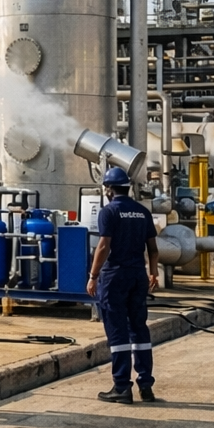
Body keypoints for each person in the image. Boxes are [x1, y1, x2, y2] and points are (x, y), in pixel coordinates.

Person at [85, 167, 160, 403]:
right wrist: (154, 272)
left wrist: (93, 275)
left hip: (115, 276)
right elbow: (153, 248)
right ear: (127, 187)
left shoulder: (109, 212)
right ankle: (145, 385)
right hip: (138, 275)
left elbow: (104, 246)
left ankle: (121, 387)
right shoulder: (142, 211)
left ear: (108, 189)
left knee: (117, 330)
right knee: (139, 328)